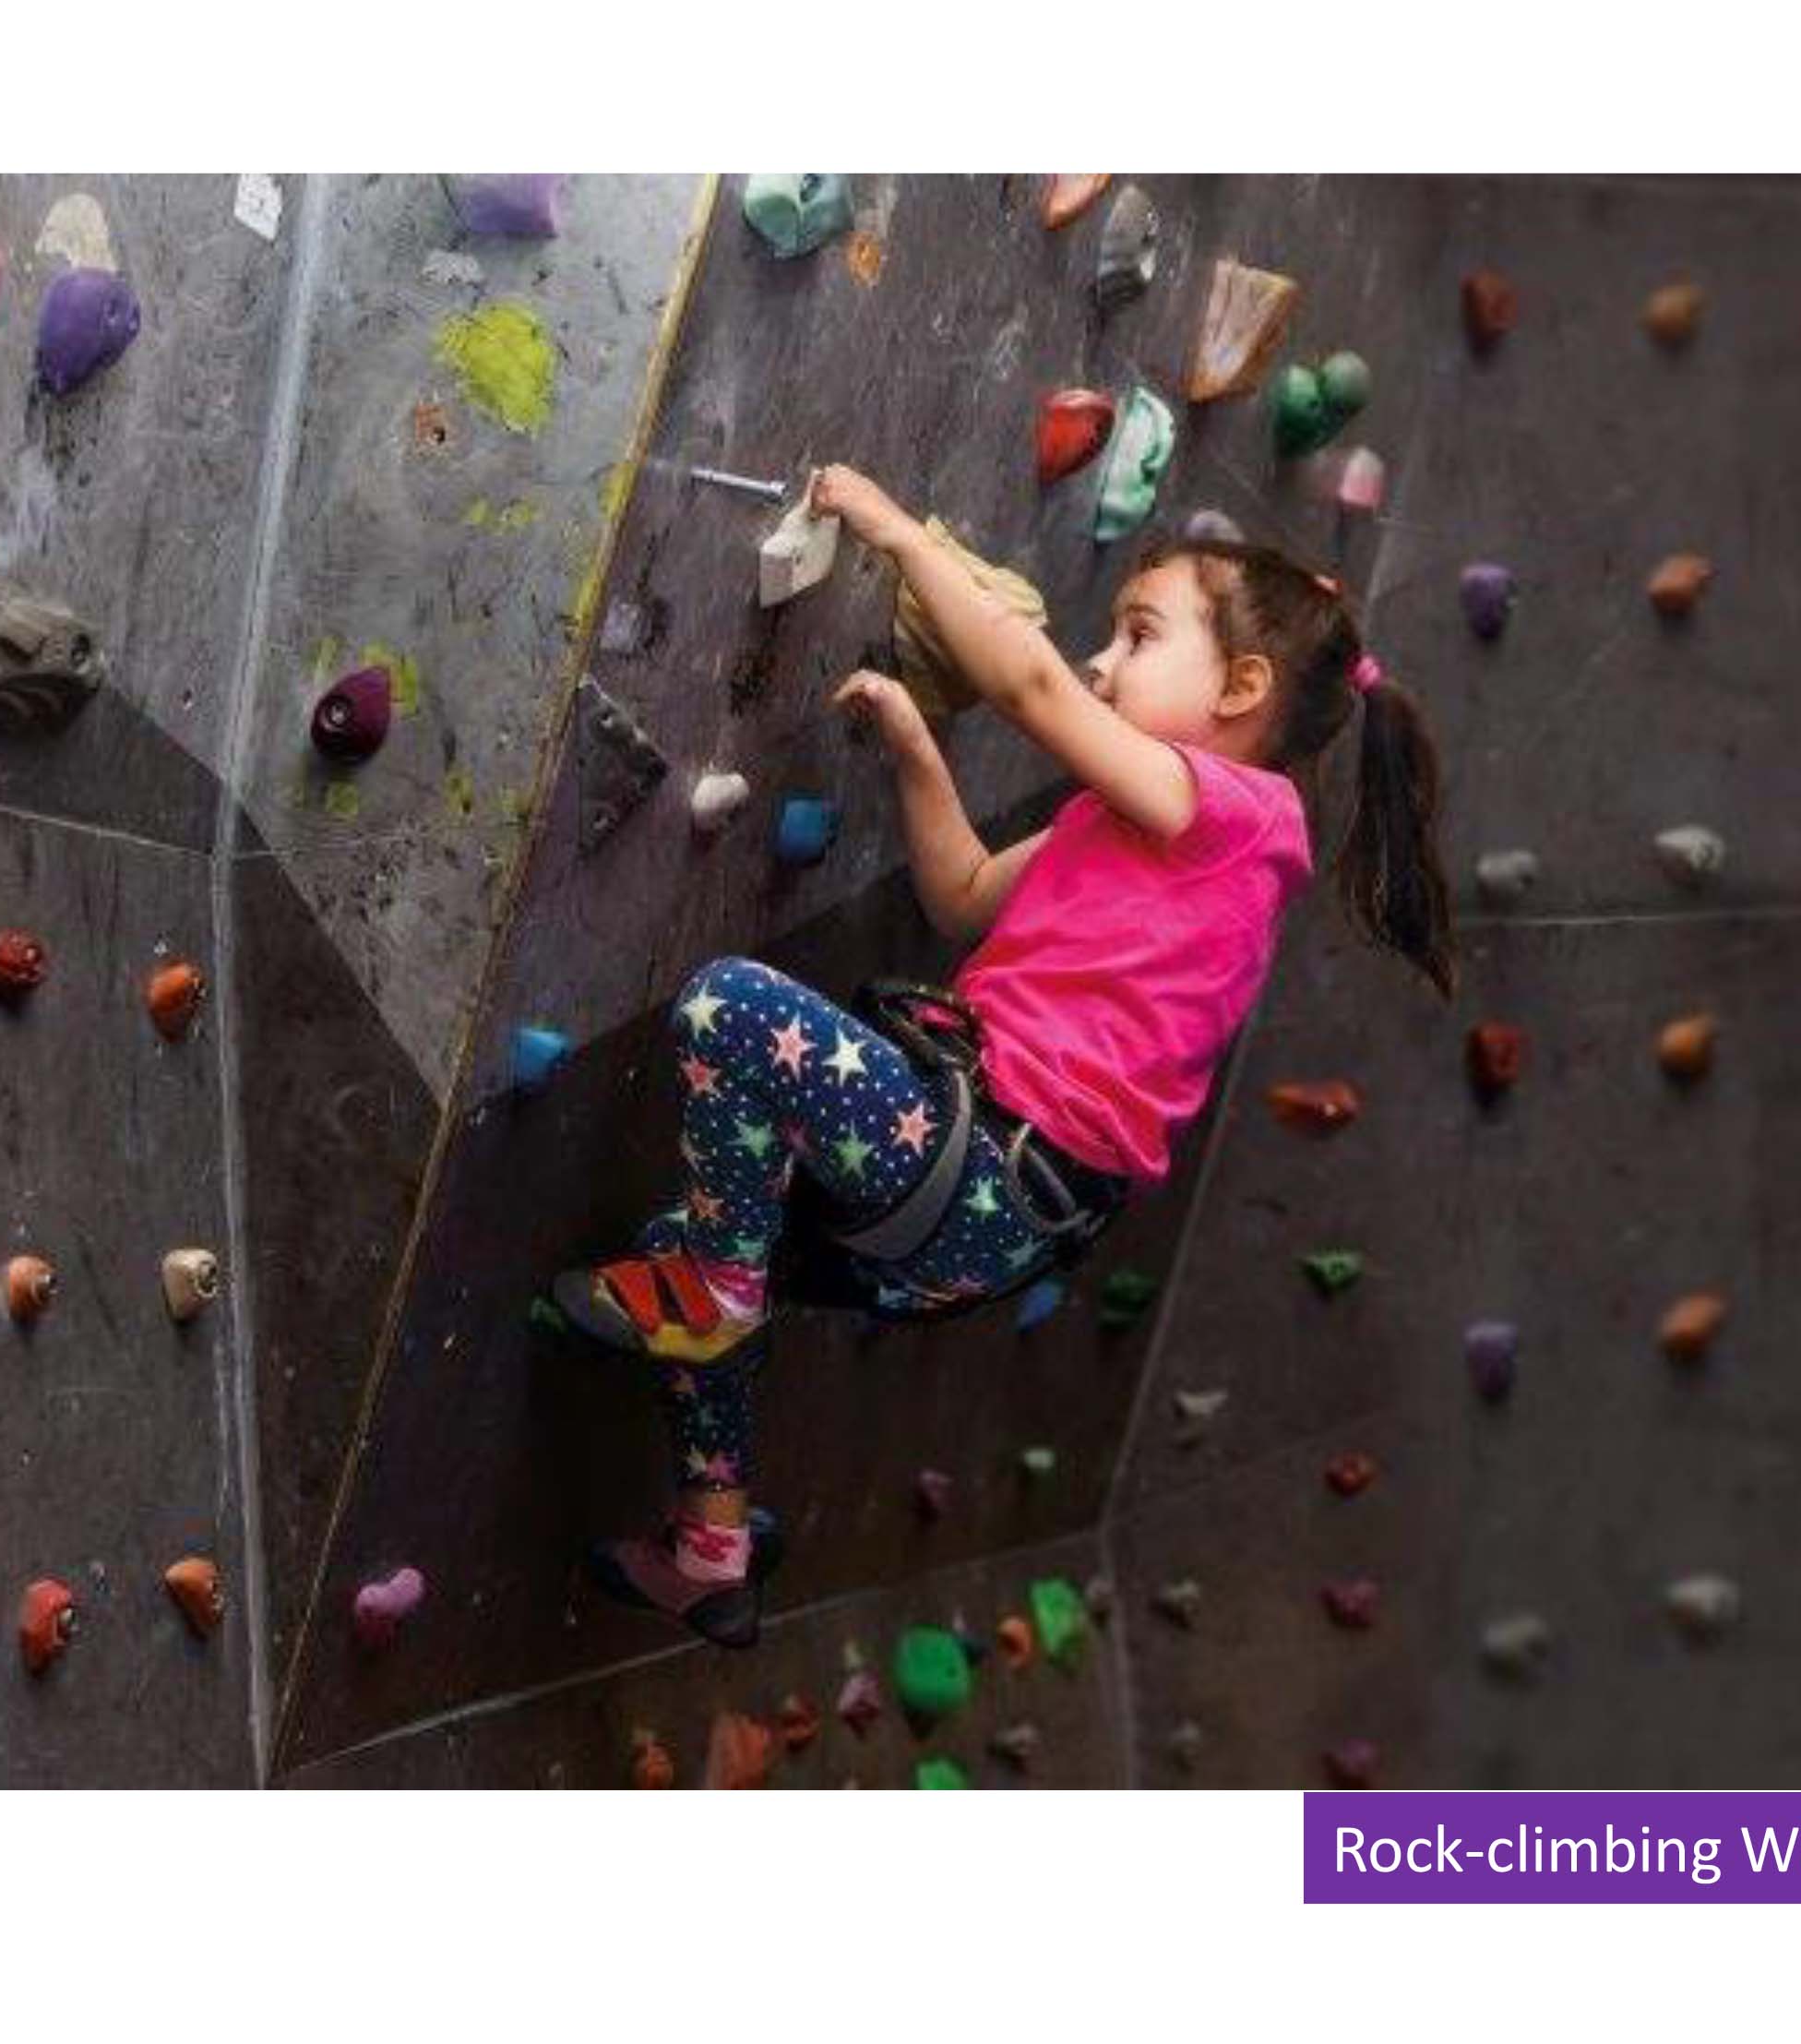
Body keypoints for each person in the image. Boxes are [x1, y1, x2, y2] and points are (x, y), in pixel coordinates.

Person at [551, 462, 1456, 1646]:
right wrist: (916, 747)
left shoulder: (1244, 816)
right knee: (698, 1242)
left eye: (1138, 636)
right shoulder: (1129, 819)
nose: (1100, 663)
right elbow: (968, 895)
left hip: (989, 1160)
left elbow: (1031, 686)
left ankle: (716, 1296)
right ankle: (710, 1545)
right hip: (987, 1213)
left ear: (1242, 687)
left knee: (729, 1009)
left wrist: (893, 530)